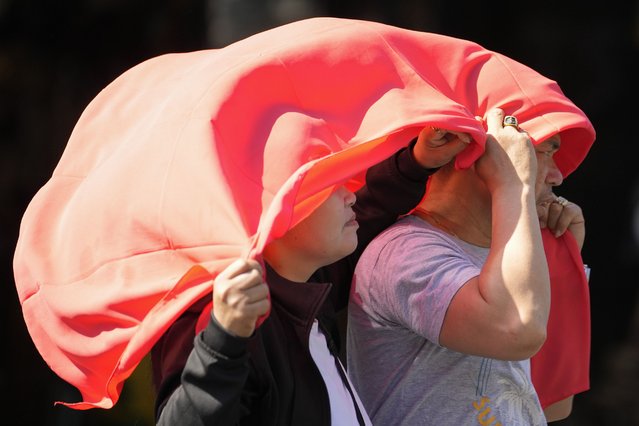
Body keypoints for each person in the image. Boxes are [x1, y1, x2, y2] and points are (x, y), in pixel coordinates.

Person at [152, 126, 471, 425]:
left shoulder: (303, 288)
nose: (350, 195)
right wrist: (223, 341)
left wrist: (417, 162)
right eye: (328, 183)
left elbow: (369, 214)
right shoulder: (216, 318)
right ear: (274, 208)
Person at [346, 108, 588, 425]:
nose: (557, 175)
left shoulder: (505, 251)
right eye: (542, 152)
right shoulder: (406, 251)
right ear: (485, 152)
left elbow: (553, 403)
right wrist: (514, 187)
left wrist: (560, 262)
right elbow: (518, 331)